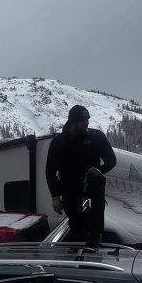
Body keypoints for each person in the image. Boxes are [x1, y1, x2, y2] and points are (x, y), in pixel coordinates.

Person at [45, 104, 117, 248]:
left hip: (91, 183)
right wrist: (55, 196)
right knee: (76, 227)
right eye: (83, 121)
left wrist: (100, 170)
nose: (87, 124)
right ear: (73, 123)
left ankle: (96, 235)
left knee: (96, 181)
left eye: (87, 120)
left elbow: (111, 160)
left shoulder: (96, 137)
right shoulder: (58, 143)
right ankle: (77, 245)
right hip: (69, 186)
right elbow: (50, 171)